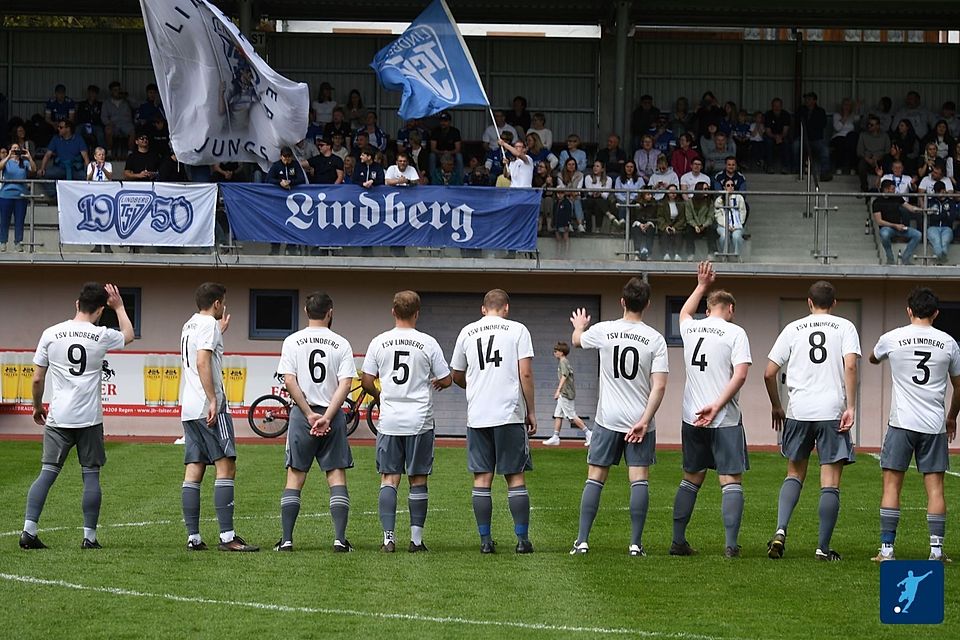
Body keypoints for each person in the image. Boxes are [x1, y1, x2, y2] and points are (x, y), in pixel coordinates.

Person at [18, 283, 134, 550]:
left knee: (46, 474)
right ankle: (89, 538)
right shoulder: (101, 335)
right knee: (91, 476)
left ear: (76, 304)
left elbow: (37, 378)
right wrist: (120, 307)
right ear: (101, 310)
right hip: (89, 419)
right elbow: (128, 335)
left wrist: (37, 407)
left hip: (59, 417)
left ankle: (29, 531)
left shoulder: (51, 333)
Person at [568, 278, 668, 556]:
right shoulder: (655, 339)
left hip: (608, 419)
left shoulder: (604, 330)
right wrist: (645, 420)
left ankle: (583, 541)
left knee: (596, 477)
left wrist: (579, 328)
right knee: (639, 479)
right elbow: (659, 385)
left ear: (622, 302)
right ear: (647, 304)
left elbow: (577, 341)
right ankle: (635, 544)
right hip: (640, 420)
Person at [763, 281, 860, 561]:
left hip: (799, 410)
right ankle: (822, 548)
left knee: (794, 473)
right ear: (834, 303)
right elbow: (850, 365)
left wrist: (777, 406)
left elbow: (769, 373)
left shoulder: (793, 328)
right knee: (830, 481)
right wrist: (851, 406)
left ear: (809, 302)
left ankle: (780, 531)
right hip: (831, 411)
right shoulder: (845, 327)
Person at [870, 287, 960, 563]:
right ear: (935, 313)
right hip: (933, 425)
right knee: (935, 489)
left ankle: (887, 551)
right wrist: (951, 417)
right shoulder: (948, 343)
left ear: (909, 310)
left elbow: (873, 357)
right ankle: (936, 552)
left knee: (891, 486)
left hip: (901, 422)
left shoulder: (893, 338)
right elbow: (959, 386)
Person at [670, 262, 751, 558]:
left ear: (708, 309)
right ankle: (730, 545)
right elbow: (740, 375)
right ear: (729, 309)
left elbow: (684, 313)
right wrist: (717, 405)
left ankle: (678, 540)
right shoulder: (735, 332)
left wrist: (701, 285)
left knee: (691, 477)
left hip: (691, 416)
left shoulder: (691, 328)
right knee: (730, 480)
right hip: (724, 418)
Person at [361, 291, 452, 552]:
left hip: (389, 420)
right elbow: (446, 378)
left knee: (389, 478)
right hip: (420, 420)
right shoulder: (428, 342)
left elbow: (366, 380)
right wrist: (438, 383)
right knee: (418, 479)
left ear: (393, 312)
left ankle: (388, 538)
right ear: (417, 313)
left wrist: (380, 396)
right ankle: (416, 540)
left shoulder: (379, 342)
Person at [450, 289, 537, 554]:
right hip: (509, 413)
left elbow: (456, 374)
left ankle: (485, 541)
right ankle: (522, 540)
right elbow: (526, 373)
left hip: (478, 414)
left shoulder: (467, 332)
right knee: (515, 477)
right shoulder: (518, 330)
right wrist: (531, 411)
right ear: (506, 308)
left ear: (483, 309)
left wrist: (474, 386)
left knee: (482, 478)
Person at [274, 292, 357, 552]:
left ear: (306, 311)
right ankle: (339, 540)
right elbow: (345, 383)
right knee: (336, 475)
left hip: (303, 416)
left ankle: (287, 540)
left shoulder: (292, 341)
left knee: (295, 476)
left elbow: (289, 380)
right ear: (330, 311)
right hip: (332, 415)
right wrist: (328, 416)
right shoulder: (341, 343)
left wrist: (308, 413)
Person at [179, 283, 258, 553]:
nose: (223, 307)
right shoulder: (208, 324)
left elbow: (198, 354)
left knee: (195, 467)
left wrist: (219, 333)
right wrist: (213, 399)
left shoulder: (189, 324)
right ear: (216, 303)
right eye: (222, 302)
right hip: (208, 405)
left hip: (188, 407)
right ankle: (227, 537)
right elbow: (202, 361)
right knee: (226, 466)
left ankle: (194, 537)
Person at [542, 341, 591, 447]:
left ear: (561, 352)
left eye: (556, 351)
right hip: (564, 393)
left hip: (565, 393)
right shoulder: (564, 362)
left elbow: (564, 376)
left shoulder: (563, 362)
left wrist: (558, 390)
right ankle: (555, 437)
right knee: (558, 415)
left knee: (571, 416)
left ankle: (589, 433)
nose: (554, 353)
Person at [872, 179, 922, 265]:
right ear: (886, 189)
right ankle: (890, 258)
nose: (894, 191)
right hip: (887, 228)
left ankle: (905, 258)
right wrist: (895, 225)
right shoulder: (877, 202)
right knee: (884, 234)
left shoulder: (897, 197)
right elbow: (879, 221)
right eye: (892, 189)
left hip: (899, 227)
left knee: (917, 234)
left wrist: (922, 210)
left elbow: (909, 207)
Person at [0, 142, 36, 253]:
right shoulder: (7, 162)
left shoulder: (24, 162)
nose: (16, 150)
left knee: (19, 220)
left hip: (21, 196)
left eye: (17, 148)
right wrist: (8, 156)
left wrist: (29, 157)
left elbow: (34, 169)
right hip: (6, 195)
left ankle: (18, 243)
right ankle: (3, 242)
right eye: (13, 148)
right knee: (4, 220)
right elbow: (0, 166)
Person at [714, 179, 747, 259]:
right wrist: (727, 226)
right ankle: (724, 255)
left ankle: (737, 255)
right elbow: (718, 215)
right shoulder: (719, 200)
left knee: (737, 236)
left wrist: (738, 224)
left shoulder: (739, 198)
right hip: (723, 225)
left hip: (737, 225)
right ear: (724, 187)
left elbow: (743, 212)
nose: (730, 187)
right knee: (724, 236)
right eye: (728, 185)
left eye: (732, 185)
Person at [656, 184, 686, 261]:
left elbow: (682, 218)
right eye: (671, 192)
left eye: (675, 192)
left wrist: (675, 227)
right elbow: (660, 217)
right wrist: (666, 226)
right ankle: (666, 254)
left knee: (679, 233)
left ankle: (677, 254)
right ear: (667, 193)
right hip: (666, 224)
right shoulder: (662, 203)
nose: (673, 194)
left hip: (677, 225)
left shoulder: (681, 203)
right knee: (664, 233)